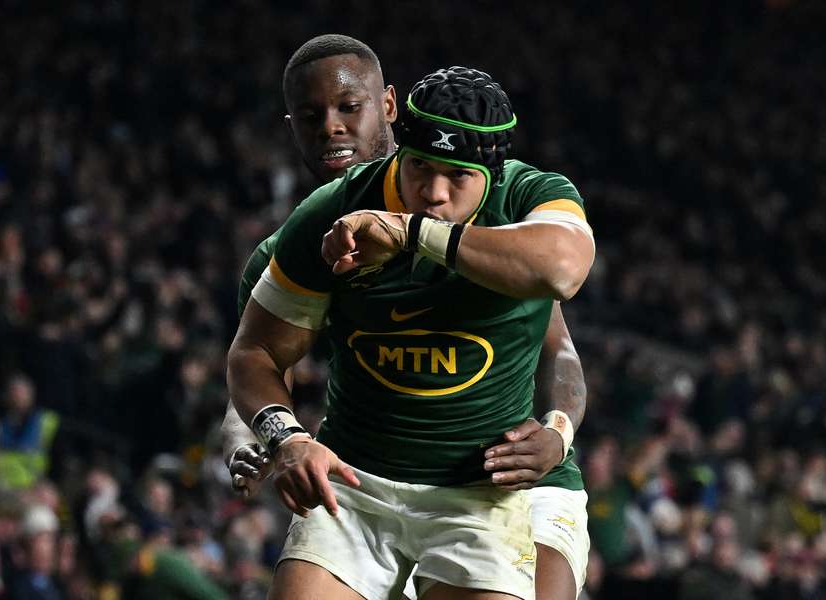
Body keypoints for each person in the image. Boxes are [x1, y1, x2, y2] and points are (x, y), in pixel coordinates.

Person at [223, 35, 592, 600]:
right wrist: (274, 437)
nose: (332, 127)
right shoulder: (311, 230)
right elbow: (255, 359)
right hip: (365, 478)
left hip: (494, 480)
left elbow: (559, 330)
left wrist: (558, 434)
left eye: (350, 107)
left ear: (389, 110)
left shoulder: (519, 212)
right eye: (311, 114)